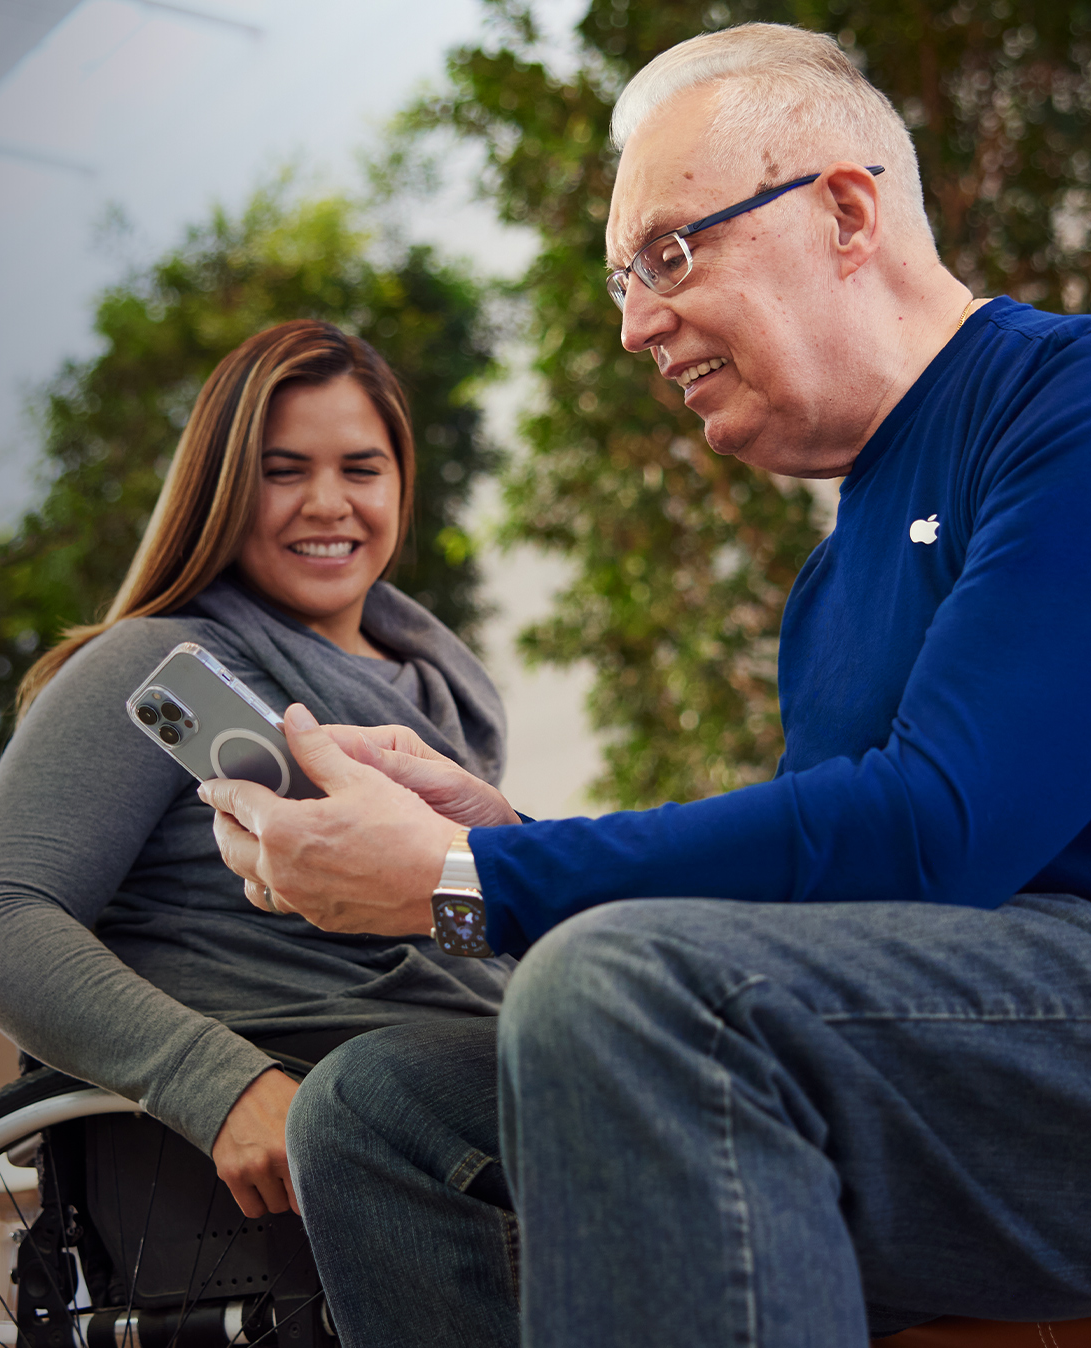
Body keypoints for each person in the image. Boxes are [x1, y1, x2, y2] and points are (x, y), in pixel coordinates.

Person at [198, 24, 1091, 1348]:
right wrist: (492, 841)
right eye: (619, 282)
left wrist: (468, 881)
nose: (631, 326)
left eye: (668, 255)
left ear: (847, 211)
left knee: (622, 982)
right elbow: (822, 908)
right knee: (377, 1108)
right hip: (952, 1062)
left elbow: (940, 830)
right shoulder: (832, 580)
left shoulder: (1059, 405)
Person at [0, 319, 514, 1221]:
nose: (328, 503)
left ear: (402, 484)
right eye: (283, 471)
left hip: (486, 1057)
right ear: (221, 489)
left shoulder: (451, 700)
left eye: (361, 469)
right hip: (346, 1096)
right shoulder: (147, 667)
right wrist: (219, 1085)